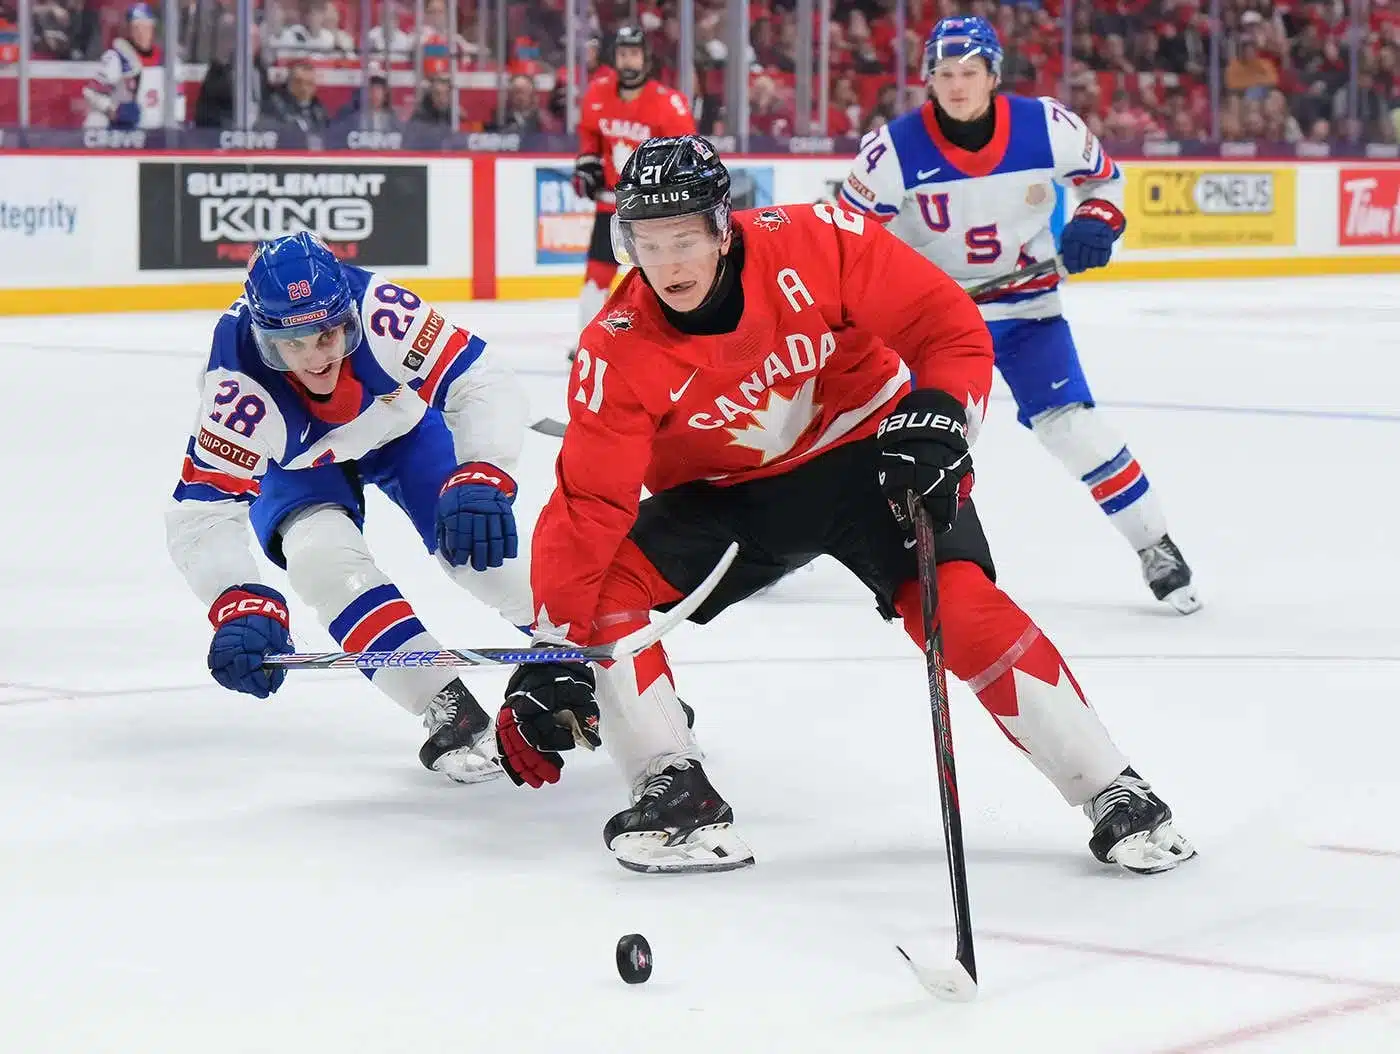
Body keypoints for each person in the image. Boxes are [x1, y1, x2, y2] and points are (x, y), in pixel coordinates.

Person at [493, 135, 1196, 878]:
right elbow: (588, 506)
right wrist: (554, 649)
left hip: (870, 458)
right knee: (606, 589)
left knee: (957, 606)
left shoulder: (819, 240)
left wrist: (940, 413)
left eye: (685, 239)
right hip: (725, 498)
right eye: (648, 243)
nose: (668, 265)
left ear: (722, 229)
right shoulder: (615, 348)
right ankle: (674, 789)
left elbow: (946, 324)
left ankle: (1115, 788)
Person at [839, 16, 1200, 614]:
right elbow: (847, 238)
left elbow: (1104, 184)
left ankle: (1154, 544)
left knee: (1072, 428)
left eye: (969, 72)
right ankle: (801, 543)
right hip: (936, 322)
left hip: (1029, 311)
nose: (957, 85)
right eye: (944, 74)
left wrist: (1095, 222)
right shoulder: (892, 150)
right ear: (929, 80)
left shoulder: (1046, 126)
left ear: (993, 75)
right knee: (901, 441)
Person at [165, 232, 532, 783]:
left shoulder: (383, 309)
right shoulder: (236, 389)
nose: (317, 357)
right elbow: (202, 514)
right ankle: (444, 703)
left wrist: (483, 468)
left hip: (403, 431)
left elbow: (478, 378)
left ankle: (606, 661)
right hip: (297, 463)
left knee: (487, 558)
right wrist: (237, 600)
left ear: (349, 318)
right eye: (293, 344)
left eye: (328, 333)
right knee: (323, 563)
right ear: (264, 340)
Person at [570, 23, 695, 359]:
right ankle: (588, 343)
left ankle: (670, 341)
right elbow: (590, 138)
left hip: (653, 210)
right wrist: (587, 164)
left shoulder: (668, 103)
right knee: (597, 274)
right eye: (623, 53)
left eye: (634, 53)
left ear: (646, 58)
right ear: (615, 57)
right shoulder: (598, 93)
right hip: (612, 206)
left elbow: (685, 153)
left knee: (659, 273)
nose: (628, 60)